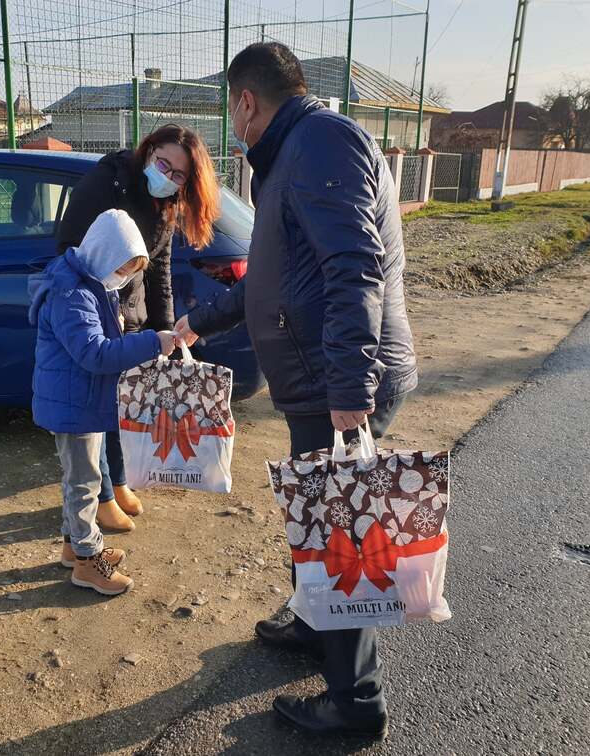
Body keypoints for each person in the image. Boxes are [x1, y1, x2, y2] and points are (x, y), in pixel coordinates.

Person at [175, 43, 418, 738]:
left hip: (334, 382)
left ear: (246, 101)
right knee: (317, 520)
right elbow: (273, 278)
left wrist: (349, 388)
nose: (233, 122)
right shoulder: (294, 153)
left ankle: (355, 702)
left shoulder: (319, 144)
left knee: (337, 534)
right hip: (319, 378)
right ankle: (316, 627)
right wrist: (198, 322)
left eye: (231, 109)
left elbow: (355, 266)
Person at [57, 125, 220, 542]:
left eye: (179, 174)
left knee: (123, 408)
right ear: (149, 151)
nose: (168, 176)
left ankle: (119, 481)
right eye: (163, 164)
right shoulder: (107, 183)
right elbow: (74, 250)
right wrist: (103, 309)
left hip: (130, 314)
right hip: (97, 312)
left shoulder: (167, 203)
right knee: (97, 411)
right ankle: (102, 497)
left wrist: (164, 330)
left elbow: (159, 271)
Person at [29, 209, 180, 596]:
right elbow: (94, 354)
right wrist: (152, 342)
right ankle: (86, 560)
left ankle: (72, 546)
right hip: (74, 404)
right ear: (103, 253)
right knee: (84, 484)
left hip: (81, 399)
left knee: (81, 479)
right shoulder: (72, 294)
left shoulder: (88, 282)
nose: (122, 278)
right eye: (121, 269)